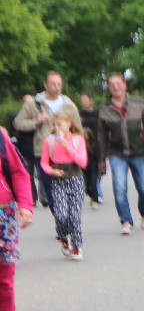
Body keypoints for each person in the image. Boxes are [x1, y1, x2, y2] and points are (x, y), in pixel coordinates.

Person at [97, 73, 144, 235]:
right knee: (119, 188)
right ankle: (126, 221)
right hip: (117, 154)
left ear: (125, 85)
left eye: (118, 83)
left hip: (139, 151)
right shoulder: (104, 110)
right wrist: (101, 159)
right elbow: (101, 137)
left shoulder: (139, 103)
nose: (115, 87)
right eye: (112, 84)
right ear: (108, 88)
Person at [13, 71, 82, 209]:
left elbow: (78, 128)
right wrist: (36, 122)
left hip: (66, 152)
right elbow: (17, 123)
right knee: (50, 191)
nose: (56, 87)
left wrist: (78, 146)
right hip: (43, 151)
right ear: (45, 84)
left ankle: (67, 214)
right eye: (53, 84)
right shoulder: (33, 104)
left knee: (68, 188)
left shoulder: (68, 105)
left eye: (59, 84)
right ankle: (59, 214)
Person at [0, 126, 36, 311]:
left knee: (4, 276)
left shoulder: (0, 137)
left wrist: (25, 205)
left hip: (3, 214)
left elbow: (18, 171)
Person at [40, 112, 88, 261]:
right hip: (58, 181)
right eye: (55, 125)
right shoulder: (49, 141)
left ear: (69, 124)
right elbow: (44, 163)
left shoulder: (77, 140)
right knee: (60, 215)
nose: (58, 127)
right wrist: (51, 171)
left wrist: (67, 147)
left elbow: (83, 162)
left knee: (74, 216)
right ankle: (63, 236)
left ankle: (77, 246)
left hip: (75, 180)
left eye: (60, 124)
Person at [78, 93, 102, 208]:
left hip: (95, 148)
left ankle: (96, 197)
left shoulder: (97, 114)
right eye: (82, 100)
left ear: (91, 101)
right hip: (82, 147)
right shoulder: (79, 114)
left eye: (85, 99)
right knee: (85, 178)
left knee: (94, 175)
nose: (83, 102)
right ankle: (91, 192)